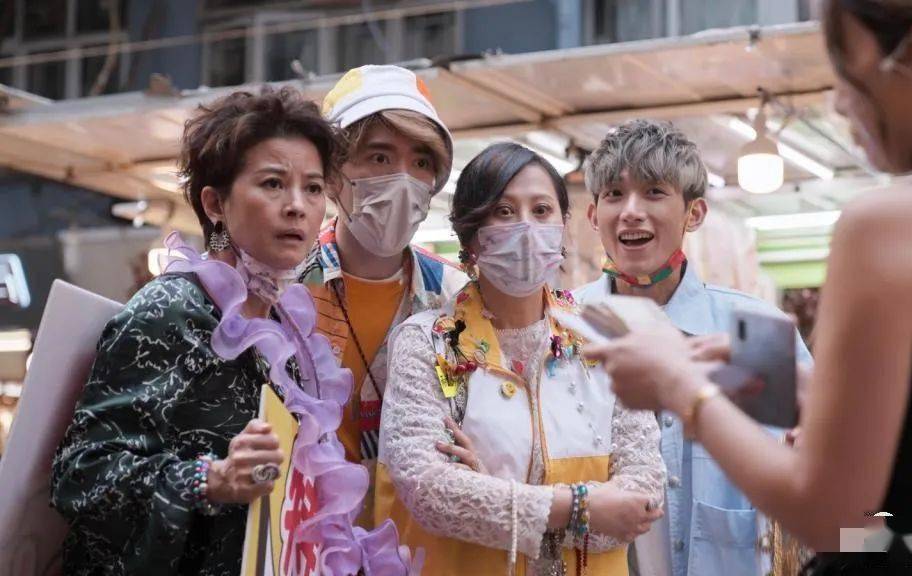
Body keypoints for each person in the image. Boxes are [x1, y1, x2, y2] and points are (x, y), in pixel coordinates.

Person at [589, 1, 912, 573]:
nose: (841, 102)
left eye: (847, 70)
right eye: (613, 196)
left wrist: (680, 385)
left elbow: (829, 516)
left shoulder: (892, 225)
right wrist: (815, 394)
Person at [51, 87, 408, 575]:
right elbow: (81, 475)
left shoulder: (291, 329)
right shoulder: (173, 311)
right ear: (215, 203)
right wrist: (212, 479)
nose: (297, 206)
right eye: (273, 183)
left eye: (313, 188)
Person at [375, 142, 666, 575]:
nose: (526, 228)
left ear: (563, 226)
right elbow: (430, 493)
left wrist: (493, 495)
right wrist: (582, 507)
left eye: (542, 210)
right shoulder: (426, 343)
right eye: (504, 212)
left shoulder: (606, 339)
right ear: (470, 236)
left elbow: (641, 499)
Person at [573, 118, 812, 576]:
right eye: (614, 194)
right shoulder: (565, 326)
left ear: (694, 214)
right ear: (593, 215)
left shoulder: (753, 330)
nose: (631, 211)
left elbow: (814, 460)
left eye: (654, 192)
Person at [300, 65, 467, 527]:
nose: (403, 179)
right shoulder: (284, 290)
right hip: (304, 539)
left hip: (415, 541)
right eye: (379, 157)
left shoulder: (456, 299)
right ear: (332, 175)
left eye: (421, 163)